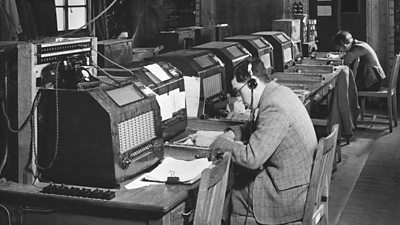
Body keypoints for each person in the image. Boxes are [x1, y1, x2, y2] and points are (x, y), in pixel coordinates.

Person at [210, 58, 318, 225]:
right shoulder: (280, 92)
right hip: (299, 182)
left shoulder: (273, 106)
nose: (240, 99)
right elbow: (258, 126)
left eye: (239, 91)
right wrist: (232, 133)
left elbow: (252, 158)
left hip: (288, 195)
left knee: (234, 194)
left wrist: (221, 143)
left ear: (252, 84)